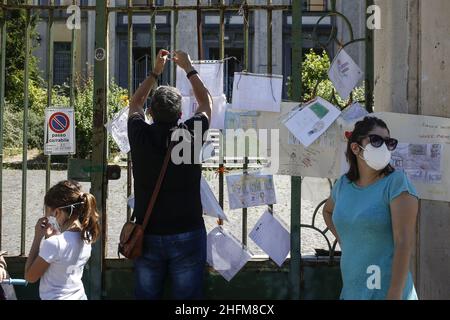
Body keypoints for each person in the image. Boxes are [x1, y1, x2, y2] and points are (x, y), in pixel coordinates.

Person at [128, 49, 212, 299]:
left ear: (150, 113)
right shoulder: (190, 133)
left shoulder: (139, 134)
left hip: (148, 232)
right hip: (187, 231)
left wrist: (155, 71)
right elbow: (206, 103)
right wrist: (188, 68)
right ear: (180, 114)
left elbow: (134, 103)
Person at [322, 116, 419, 300]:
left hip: (387, 293)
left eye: (388, 142)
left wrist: (395, 294)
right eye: (376, 140)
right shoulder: (343, 185)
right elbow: (327, 211)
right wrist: (347, 242)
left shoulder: (396, 183)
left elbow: (404, 242)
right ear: (355, 147)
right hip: (352, 292)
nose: (383, 147)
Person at [24, 180, 100, 300]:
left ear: (57, 212)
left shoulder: (54, 243)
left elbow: (30, 276)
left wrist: (38, 237)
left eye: (47, 212)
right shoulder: (86, 236)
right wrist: (51, 237)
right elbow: (60, 264)